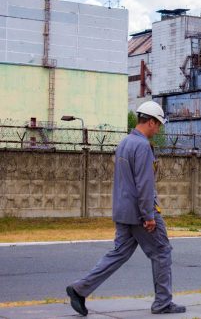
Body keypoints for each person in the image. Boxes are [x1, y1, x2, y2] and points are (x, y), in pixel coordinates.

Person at [66, 101, 186, 315]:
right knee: (162, 252)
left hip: (123, 211)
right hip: (141, 213)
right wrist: (148, 215)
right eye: (158, 124)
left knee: (118, 253)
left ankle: (79, 289)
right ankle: (163, 303)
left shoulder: (125, 143)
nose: (158, 130)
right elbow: (144, 184)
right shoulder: (142, 146)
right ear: (150, 122)